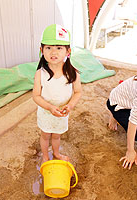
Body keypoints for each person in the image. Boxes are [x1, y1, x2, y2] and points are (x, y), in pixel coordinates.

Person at [32, 24, 82, 163]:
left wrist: (70, 106)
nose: (53, 52)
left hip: (62, 112)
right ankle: (46, 156)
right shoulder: (40, 74)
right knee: (45, 135)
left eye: (59, 48)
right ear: (42, 50)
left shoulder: (72, 73)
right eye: (49, 48)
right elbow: (36, 95)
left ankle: (56, 153)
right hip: (46, 112)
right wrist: (49, 108)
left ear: (68, 51)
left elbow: (78, 92)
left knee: (56, 136)